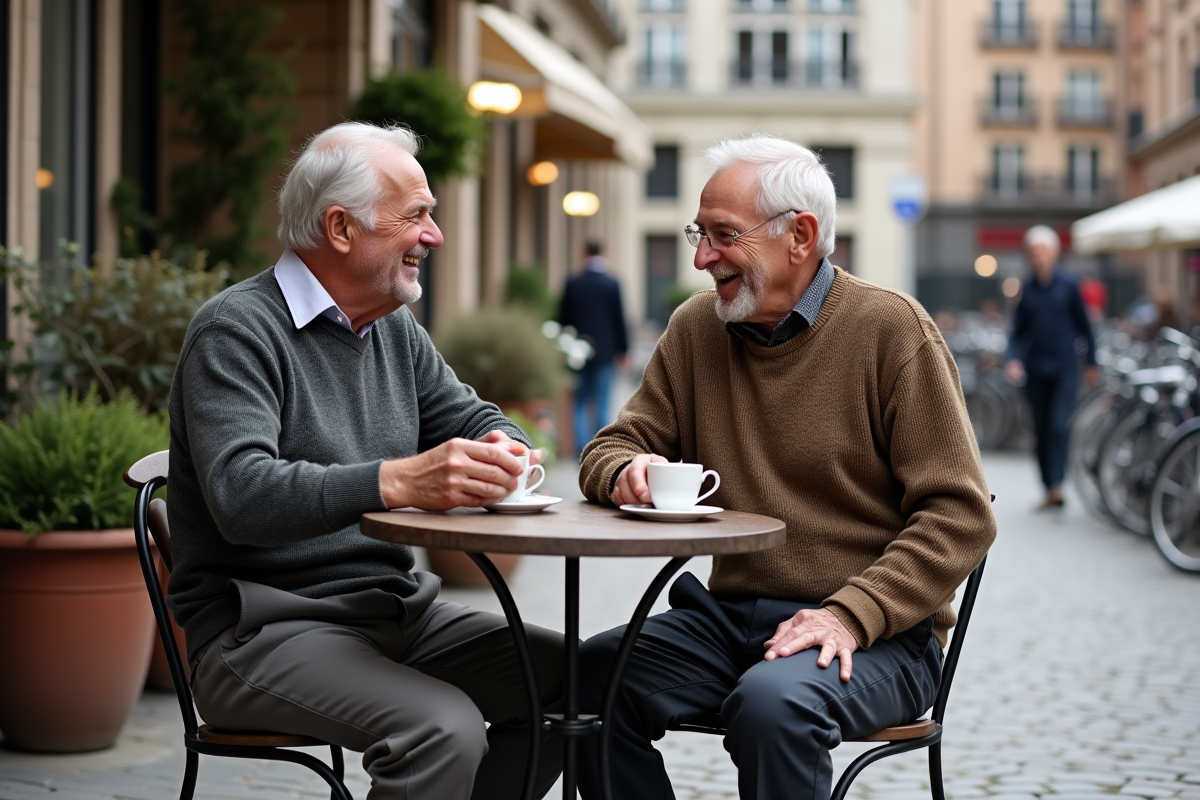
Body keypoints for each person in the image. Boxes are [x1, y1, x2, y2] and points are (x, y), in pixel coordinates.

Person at [575, 134, 996, 800]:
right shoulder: (696, 329)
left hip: (875, 635)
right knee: (589, 677)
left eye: (722, 235)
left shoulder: (891, 330)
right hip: (727, 619)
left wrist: (849, 615)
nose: (700, 257)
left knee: (774, 706)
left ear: (800, 235)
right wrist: (627, 469)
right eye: (698, 232)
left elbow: (960, 515)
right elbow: (609, 446)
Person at [166, 122, 564, 800]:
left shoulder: (390, 325)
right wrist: (401, 479)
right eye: (416, 215)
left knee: (576, 679)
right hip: (260, 631)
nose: (434, 235)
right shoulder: (235, 330)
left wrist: (506, 445)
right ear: (341, 229)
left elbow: (471, 416)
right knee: (442, 729)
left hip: (394, 614)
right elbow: (242, 496)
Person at [1004, 225, 1098, 509]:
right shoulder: (1027, 288)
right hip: (1036, 369)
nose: (1038, 256)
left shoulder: (1069, 285)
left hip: (1065, 367)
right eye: (1034, 251)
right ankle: (1048, 485)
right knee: (1042, 429)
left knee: (1058, 425)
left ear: (1054, 253)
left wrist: (1092, 362)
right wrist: (1012, 360)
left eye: (1043, 250)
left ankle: (1057, 484)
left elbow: (1086, 328)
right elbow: (1017, 331)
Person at [557, 240, 629, 452]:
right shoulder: (612, 283)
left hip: (576, 352)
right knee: (603, 400)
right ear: (602, 252)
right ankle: (600, 449)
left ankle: (582, 450)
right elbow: (619, 319)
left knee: (579, 401)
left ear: (584, 253)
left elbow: (563, 319)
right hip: (606, 352)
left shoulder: (573, 282)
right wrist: (623, 350)